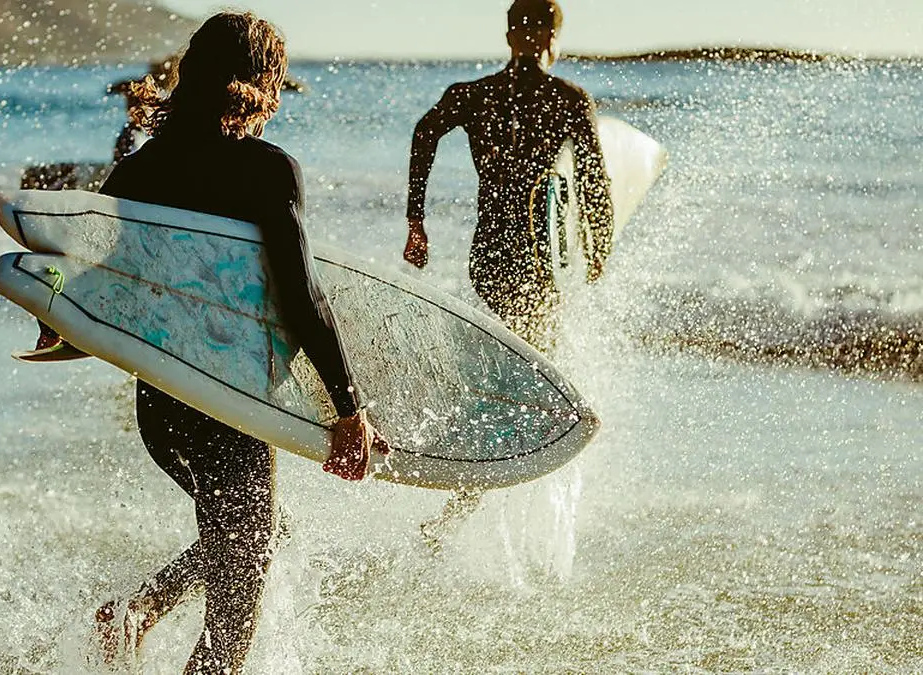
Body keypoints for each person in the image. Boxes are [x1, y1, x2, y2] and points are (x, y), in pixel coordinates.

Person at [89, 13, 388, 673]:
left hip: (162, 404)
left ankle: (140, 606)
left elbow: (101, 289)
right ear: (263, 87)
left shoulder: (136, 172)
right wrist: (349, 408)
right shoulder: (266, 169)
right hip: (228, 405)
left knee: (251, 535)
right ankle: (142, 608)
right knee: (228, 642)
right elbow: (300, 298)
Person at [403, 0, 614, 548]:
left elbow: (423, 134)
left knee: (511, 371)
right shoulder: (568, 101)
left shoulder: (473, 95)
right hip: (536, 262)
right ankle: (468, 500)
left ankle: (471, 484)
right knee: (533, 380)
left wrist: (416, 221)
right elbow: (594, 183)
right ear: (553, 38)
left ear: (509, 34)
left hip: (488, 256)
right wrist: (598, 249)